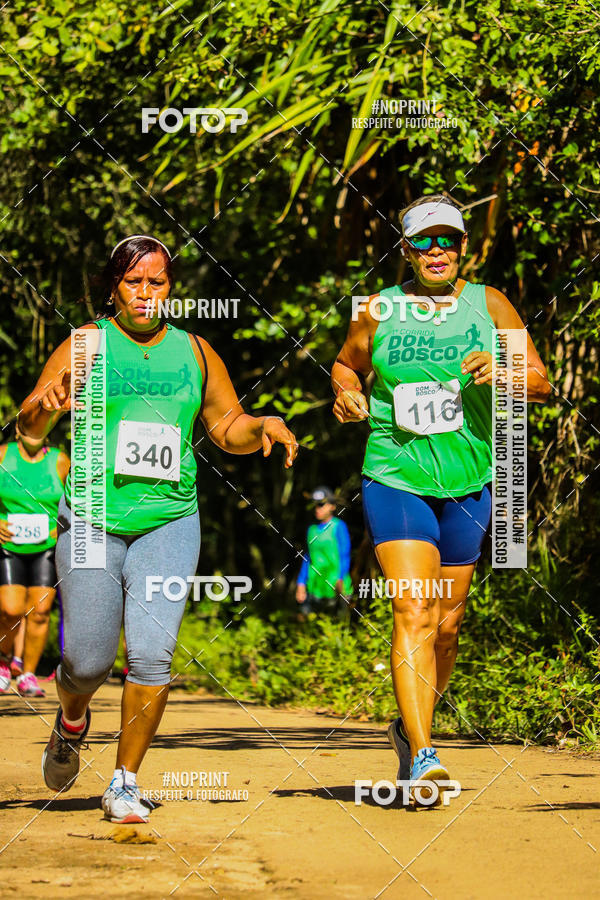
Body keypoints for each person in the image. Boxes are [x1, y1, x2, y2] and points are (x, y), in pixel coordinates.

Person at [17, 234, 298, 824]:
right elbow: (31, 427)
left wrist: (263, 425)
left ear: (172, 288)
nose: (146, 293)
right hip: (91, 519)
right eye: (134, 282)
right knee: (88, 664)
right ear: (113, 287)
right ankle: (71, 721)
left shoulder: (195, 351)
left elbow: (227, 426)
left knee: (151, 657)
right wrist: (47, 404)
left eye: (158, 282)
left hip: (169, 522)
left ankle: (124, 781)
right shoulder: (86, 345)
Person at [332, 194, 551, 802]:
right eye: (424, 241)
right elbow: (346, 366)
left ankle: (408, 726)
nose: (436, 251)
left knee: (448, 627)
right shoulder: (378, 309)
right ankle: (425, 755)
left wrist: (502, 371)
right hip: (395, 475)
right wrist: (345, 393)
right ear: (406, 250)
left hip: (470, 482)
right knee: (414, 609)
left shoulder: (490, 304)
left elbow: (540, 379)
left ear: (462, 248)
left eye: (447, 240)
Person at [0, 427, 69, 697]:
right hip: (8, 544)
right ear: (18, 429)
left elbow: (80, 498)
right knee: (11, 610)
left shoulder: (60, 460)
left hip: (47, 547)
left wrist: (65, 526)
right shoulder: (4, 455)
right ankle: (4, 662)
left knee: (40, 613)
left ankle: (28, 673)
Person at [295, 486, 353, 617]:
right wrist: (301, 583)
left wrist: (340, 579)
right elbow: (308, 557)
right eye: (315, 505)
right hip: (315, 589)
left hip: (337, 588)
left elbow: (345, 555)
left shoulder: (339, 526)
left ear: (332, 506)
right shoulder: (312, 530)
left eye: (321, 504)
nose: (317, 508)